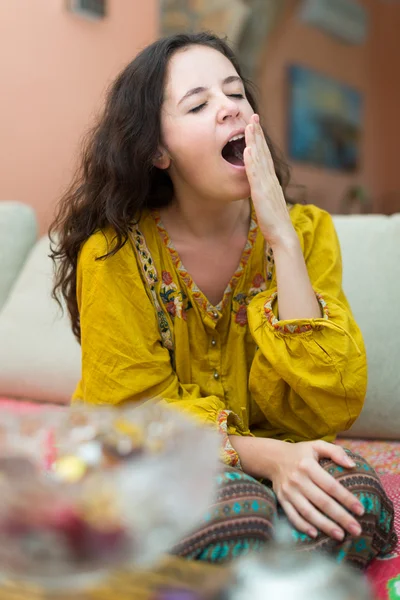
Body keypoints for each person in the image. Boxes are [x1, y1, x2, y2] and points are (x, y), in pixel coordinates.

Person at [50, 32, 396, 569]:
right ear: (157, 150)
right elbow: (133, 415)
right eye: (199, 103)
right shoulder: (112, 253)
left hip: (281, 447)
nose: (230, 108)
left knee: (361, 506)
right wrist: (266, 458)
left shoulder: (306, 234)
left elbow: (326, 401)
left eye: (236, 93)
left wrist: (280, 236)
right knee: (238, 512)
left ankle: (238, 559)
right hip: (158, 456)